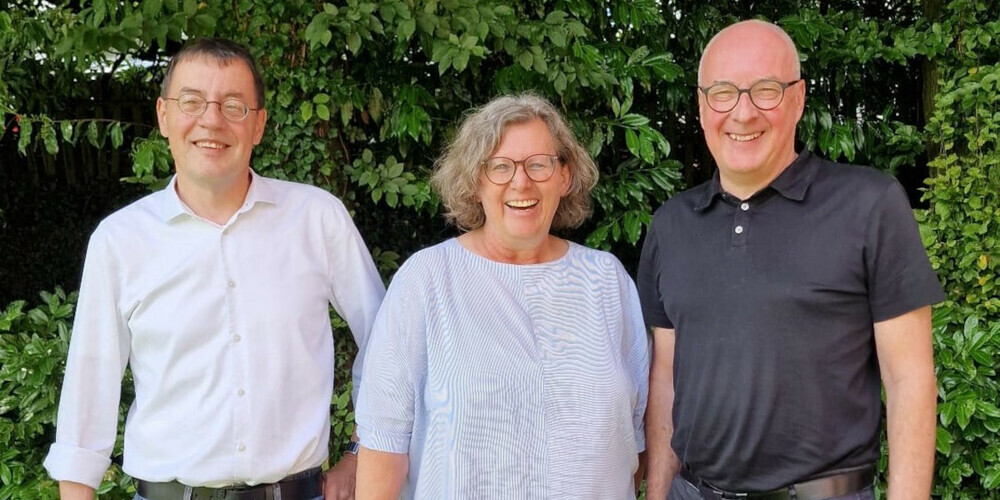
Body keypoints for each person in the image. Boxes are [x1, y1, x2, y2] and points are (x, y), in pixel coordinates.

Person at [43, 38, 385, 500]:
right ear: (164, 115)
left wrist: (361, 451)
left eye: (234, 105)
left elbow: (390, 344)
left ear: (259, 125)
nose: (211, 119)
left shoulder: (317, 219)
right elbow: (90, 387)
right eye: (192, 101)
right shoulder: (120, 240)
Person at [638, 20, 944, 500]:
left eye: (766, 91)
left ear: (798, 99)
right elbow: (666, 380)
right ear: (701, 106)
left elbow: (910, 380)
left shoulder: (870, 204)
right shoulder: (671, 225)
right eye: (723, 93)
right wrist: (657, 492)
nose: (742, 113)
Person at [353, 93, 649, 499]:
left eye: (539, 164)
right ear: (475, 181)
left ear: (565, 177)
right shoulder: (427, 280)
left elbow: (631, 441)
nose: (521, 181)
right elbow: (383, 445)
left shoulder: (607, 281)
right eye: (500, 167)